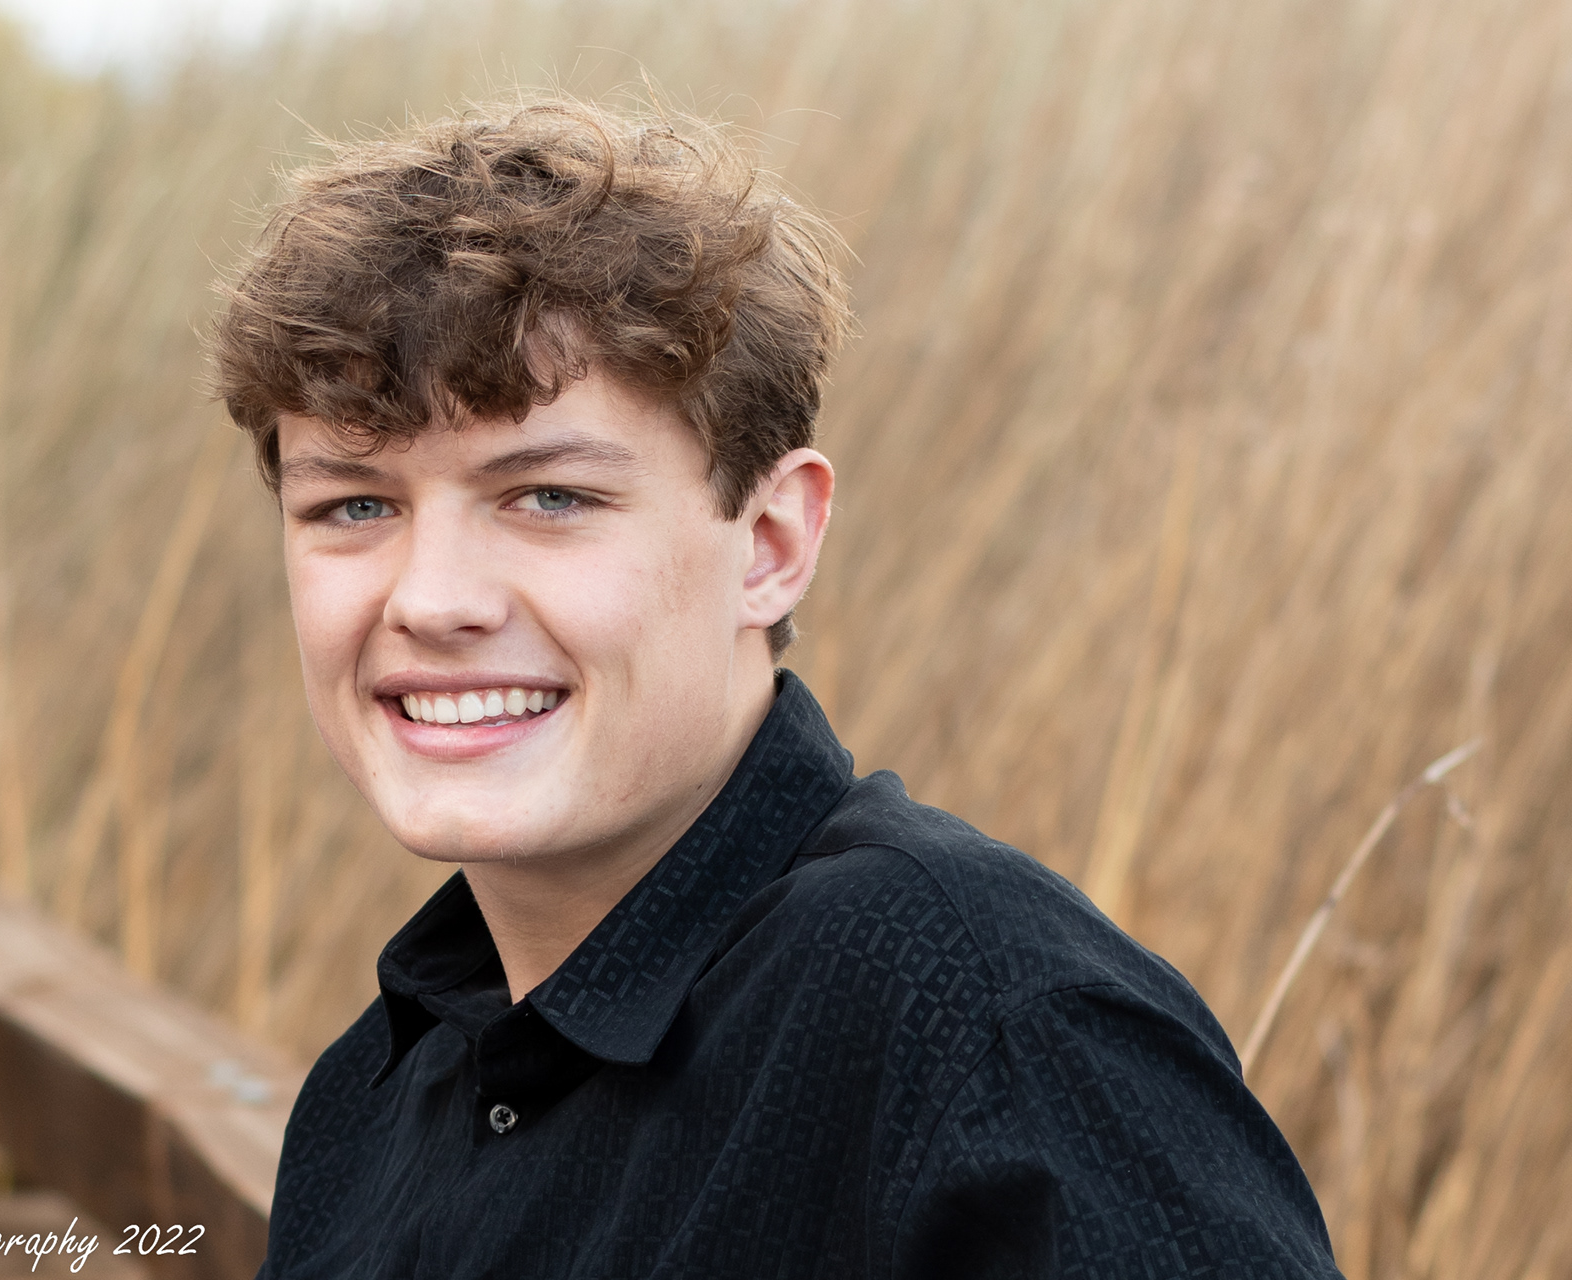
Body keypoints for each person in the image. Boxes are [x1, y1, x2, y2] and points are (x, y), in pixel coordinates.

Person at [212, 96, 1342, 1279]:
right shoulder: (365, 1101)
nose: (433, 599)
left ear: (770, 544)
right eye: (354, 504)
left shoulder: (985, 1024)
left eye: (549, 496)